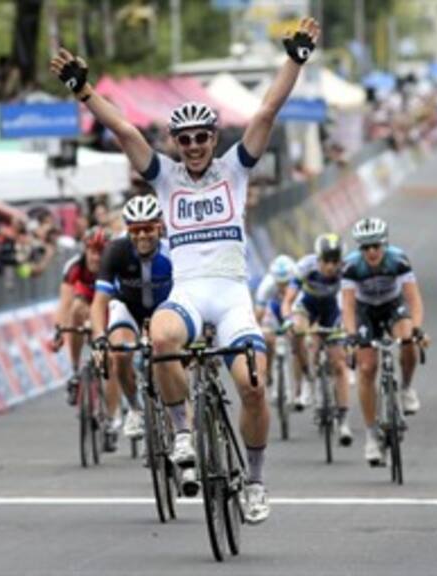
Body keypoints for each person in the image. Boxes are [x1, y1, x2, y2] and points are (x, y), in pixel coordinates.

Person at [51, 16, 321, 524]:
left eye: (201, 137)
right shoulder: (166, 178)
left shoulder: (235, 168)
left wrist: (295, 59)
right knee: (160, 336)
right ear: (175, 142)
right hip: (191, 292)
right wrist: (84, 90)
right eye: (185, 139)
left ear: (213, 137)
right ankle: (180, 432)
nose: (194, 145)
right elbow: (124, 128)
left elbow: (267, 109)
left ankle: (257, 482)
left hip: (233, 293)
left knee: (254, 388)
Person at [90, 195, 172, 451]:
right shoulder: (116, 250)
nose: (142, 236)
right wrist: (98, 338)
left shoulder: (174, 251)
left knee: (170, 354)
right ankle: (135, 408)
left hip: (164, 307)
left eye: (149, 228)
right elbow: (99, 302)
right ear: (128, 230)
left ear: (160, 226)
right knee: (119, 353)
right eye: (135, 230)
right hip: (127, 308)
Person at [341, 218, 426, 466]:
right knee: (367, 367)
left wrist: (418, 328)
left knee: (408, 338)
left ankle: (407, 387)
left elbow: (414, 299)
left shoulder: (398, 260)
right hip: (365, 310)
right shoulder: (351, 266)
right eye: (365, 247)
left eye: (376, 246)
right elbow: (347, 305)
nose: (371, 252)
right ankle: (371, 434)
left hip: (392, 305)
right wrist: (351, 334)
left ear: (384, 244)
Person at [281, 234, 353, 446]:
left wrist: (349, 329)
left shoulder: (346, 269)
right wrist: (287, 319)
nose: (331, 266)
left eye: (335, 261)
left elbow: (351, 302)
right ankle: (305, 381)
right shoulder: (305, 267)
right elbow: (288, 301)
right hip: (308, 307)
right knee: (298, 331)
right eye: (326, 261)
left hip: (332, 309)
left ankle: (344, 420)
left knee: (339, 362)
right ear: (318, 258)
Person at [51, 226, 110, 405]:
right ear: (85, 250)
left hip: (108, 302)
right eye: (93, 251)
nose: (96, 257)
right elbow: (65, 303)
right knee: (76, 309)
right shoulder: (74, 266)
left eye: (101, 252)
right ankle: (75, 370)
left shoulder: (114, 264)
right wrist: (59, 331)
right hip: (86, 300)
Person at [254, 254, 296, 401]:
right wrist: (257, 330)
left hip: (292, 309)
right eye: (280, 283)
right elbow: (258, 314)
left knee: (298, 337)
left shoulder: (298, 282)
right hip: (273, 310)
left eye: (287, 283)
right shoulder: (267, 285)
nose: (284, 286)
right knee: (268, 340)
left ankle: (301, 386)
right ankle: (269, 370)